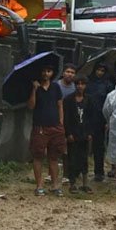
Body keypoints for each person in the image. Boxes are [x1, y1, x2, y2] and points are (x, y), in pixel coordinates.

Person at [27, 65, 65, 196]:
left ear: (52, 73)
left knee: (54, 157)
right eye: (43, 71)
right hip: (40, 127)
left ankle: (55, 185)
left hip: (55, 126)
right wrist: (34, 89)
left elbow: (60, 105)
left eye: (48, 71)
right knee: (38, 156)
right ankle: (39, 185)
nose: (45, 73)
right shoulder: (36, 88)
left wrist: (61, 123)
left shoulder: (56, 87)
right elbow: (31, 106)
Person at [64, 76, 96, 194]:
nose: (80, 86)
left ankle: (85, 183)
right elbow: (66, 118)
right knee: (72, 159)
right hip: (73, 134)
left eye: (82, 84)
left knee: (84, 159)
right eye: (78, 84)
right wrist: (68, 133)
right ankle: (73, 184)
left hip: (85, 133)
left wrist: (90, 133)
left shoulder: (89, 100)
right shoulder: (68, 100)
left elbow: (92, 117)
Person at [87, 62, 113, 182]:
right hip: (86, 117)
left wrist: (108, 120)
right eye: (98, 70)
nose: (100, 72)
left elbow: (111, 103)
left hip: (101, 118)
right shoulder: (87, 82)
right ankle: (80, 171)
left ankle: (99, 172)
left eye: (102, 70)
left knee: (99, 146)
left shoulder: (107, 85)